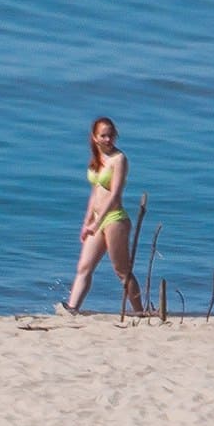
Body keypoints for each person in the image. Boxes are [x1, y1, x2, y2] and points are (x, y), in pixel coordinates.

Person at [60, 116, 146, 315]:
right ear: (95, 137)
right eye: (103, 136)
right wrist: (86, 222)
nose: (108, 140)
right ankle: (72, 308)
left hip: (115, 219)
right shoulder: (96, 160)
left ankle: (139, 311)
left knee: (122, 271)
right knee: (84, 266)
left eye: (111, 135)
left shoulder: (119, 159)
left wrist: (97, 222)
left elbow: (115, 194)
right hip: (97, 220)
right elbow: (95, 192)